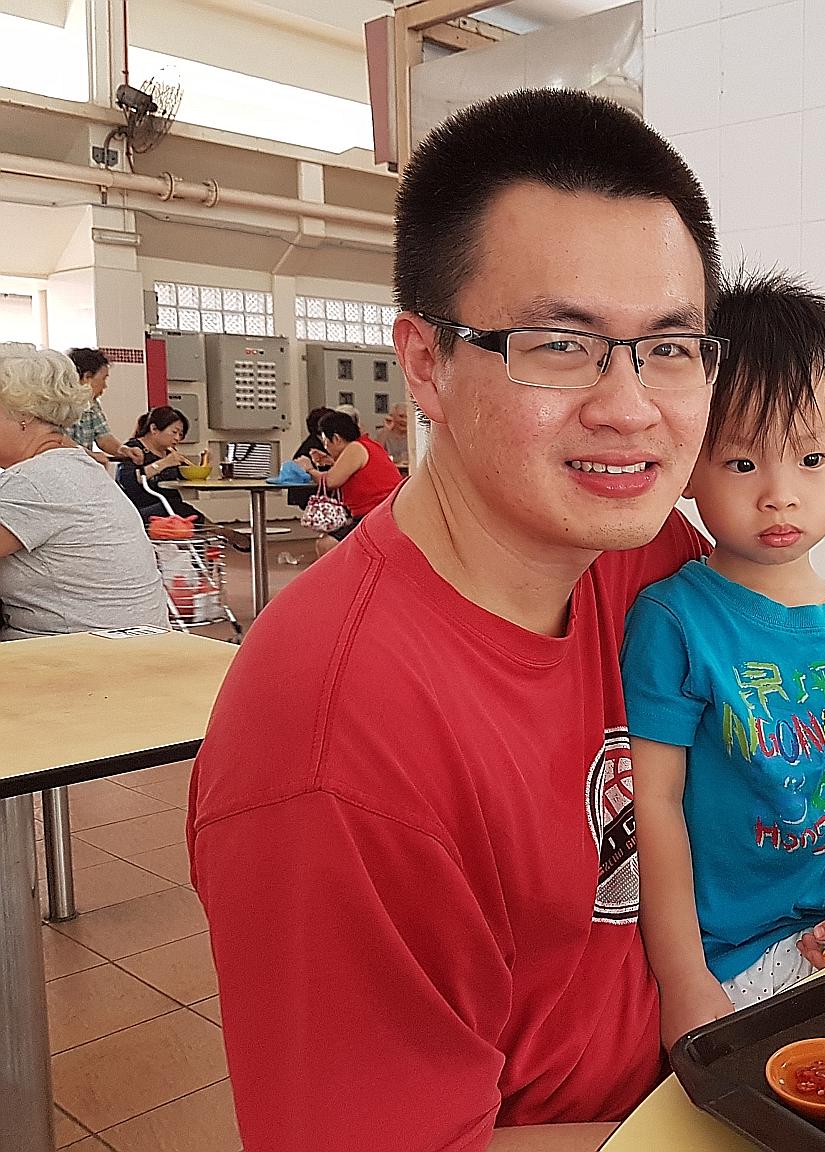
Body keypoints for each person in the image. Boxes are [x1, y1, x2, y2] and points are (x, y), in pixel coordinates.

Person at [188, 88, 723, 1152]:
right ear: (425, 363)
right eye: (559, 344)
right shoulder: (335, 744)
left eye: (669, 346)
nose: (630, 408)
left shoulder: (649, 562)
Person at [621, 272, 825, 1046]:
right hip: (735, 953)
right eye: (741, 464)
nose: (779, 496)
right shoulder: (674, 619)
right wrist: (686, 978)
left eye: (811, 458)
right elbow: (651, 806)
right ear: (690, 464)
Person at [0, 343, 165, 640]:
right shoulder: (76, 467)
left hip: (82, 661)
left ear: (22, 415)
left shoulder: (34, 482)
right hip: (135, 651)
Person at [294, 409, 403, 555]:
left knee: (326, 544)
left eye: (326, 442)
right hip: (383, 511)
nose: (326, 447)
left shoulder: (355, 448)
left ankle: (341, 578)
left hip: (377, 514)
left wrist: (308, 468)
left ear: (337, 439)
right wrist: (331, 461)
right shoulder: (367, 445)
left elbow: (330, 481)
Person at [116, 406, 201, 523]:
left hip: (171, 506)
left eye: (180, 434)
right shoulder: (134, 449)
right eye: (174, 432)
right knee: (177, 509)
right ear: (154, 428)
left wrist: (204, 463)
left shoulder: (169, 452)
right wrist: (164, 463)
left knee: (188, 513)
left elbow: (184, 477)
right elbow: (127, 481)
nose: (177, 438)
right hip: (141, 510)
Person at [62, 347, 143, 466]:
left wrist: (124, 450)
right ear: (87, 377)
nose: (105, 386)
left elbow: (104, 438)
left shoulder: (93, 405)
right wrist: (91, 455)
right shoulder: (58, 404)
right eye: (103, 379)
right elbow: (59, 440)